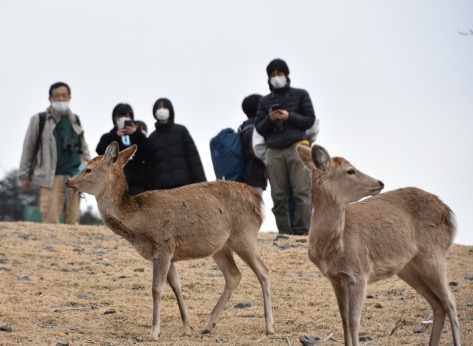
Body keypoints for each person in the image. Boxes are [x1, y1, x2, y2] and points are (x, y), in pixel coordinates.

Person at [255, 58, 316, 235]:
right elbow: (260, 128)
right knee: (278, 196)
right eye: (273, 75)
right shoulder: (264, 102)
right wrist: (270, 119)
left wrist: (289, 116)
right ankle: (284, 232)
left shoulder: (301, 95)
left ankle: (302, 230)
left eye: (279, 73)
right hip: (273, 151)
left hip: (297, 147)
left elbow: (309, 120)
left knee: (301, 192)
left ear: (287, 75)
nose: (276, 77)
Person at [19, 81, 91, 224]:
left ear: (70, 97)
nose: (61, 99)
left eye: (64, 95)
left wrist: (85, 165)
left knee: (73, 223)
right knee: (50, 223)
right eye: (57, 96)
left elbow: (84, 148)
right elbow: (29, 149)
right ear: (50, 99)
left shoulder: (75, 119)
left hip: (73, 178)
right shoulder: (39, 120)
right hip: (49, 179)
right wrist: (24, 176)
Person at [146, 97, 207, 190]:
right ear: (154, 112)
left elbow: (194, 160)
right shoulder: (151, 138)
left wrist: (203, 185)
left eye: (165, 107)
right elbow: (150, 169)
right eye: (159, 107)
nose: (162, 110)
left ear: (170, 110)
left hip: (185, 185)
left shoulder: (181, 131)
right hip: (163, 189)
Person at [96, 103, 148, 195]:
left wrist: (136, 134)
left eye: (126, 116)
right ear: (115, 118)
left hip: (137, 183)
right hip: (115, 183)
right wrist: (115, 136)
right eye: (121, 116)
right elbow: (100, 151)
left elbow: (148, 151)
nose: (124, 118)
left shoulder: (138, 136)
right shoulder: (108, 137)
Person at [239, 94, 267, 196]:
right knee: (254, 211)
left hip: (248, 180)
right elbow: (257, 154)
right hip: (252, 181)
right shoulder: (254, 131)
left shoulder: (244, 128)